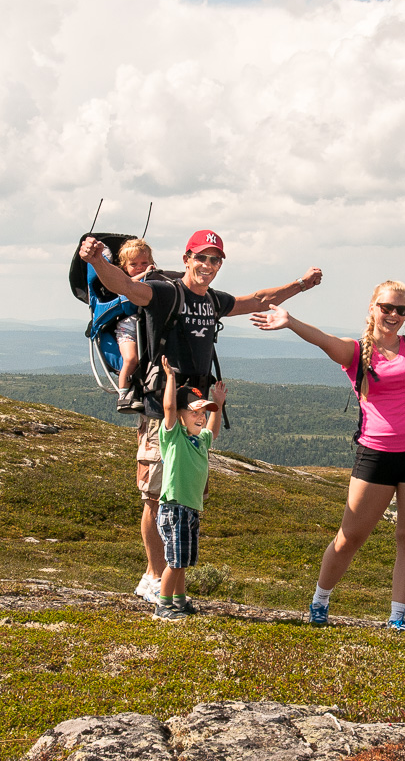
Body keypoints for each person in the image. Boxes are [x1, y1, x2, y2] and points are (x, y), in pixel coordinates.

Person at [80, 229, 323, 603]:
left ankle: (169, 582)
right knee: (154, 495)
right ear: (186, 259)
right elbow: (127, 287)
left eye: (215, 260)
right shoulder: (165, 294)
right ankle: (152, 575)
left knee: (182, 495)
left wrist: (301, 285)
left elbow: (259, 299)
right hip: (161, 409)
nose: (208, 265)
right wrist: (97, 261)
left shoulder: (213, 301)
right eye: (202, 257)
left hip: (196, 409)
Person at [250, 280, 405, 631]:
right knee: (350, 537)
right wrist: (290, 322)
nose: (394, 315)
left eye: (402, 310)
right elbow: (325, 341)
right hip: (375, 455)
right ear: (372, 308)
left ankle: (398, 618)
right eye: (387, 307)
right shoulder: (356, 351)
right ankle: (320, 599)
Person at [153, 356, 226, 621]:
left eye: (203, 412)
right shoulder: (173, 436)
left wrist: (218, 403)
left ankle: (180, 601)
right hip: (174, 507)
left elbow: (213, 431)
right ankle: (162, 606)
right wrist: (171, 377)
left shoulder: (200, 440)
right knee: (176, 560)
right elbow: (169, 406)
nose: (200, 417)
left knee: (183, 559)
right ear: (181, 416)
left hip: (190, 508)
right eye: (194, 412)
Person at [114, 238, 156, 413]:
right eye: (134, 264)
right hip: (127, 329)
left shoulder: (153, 281)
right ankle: (123, 395)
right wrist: (146, 274)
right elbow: (127, 287)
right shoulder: (120, 281)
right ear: (125, 268)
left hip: (147, 327)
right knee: (131, 359)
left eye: (144, 263)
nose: (140, 267)